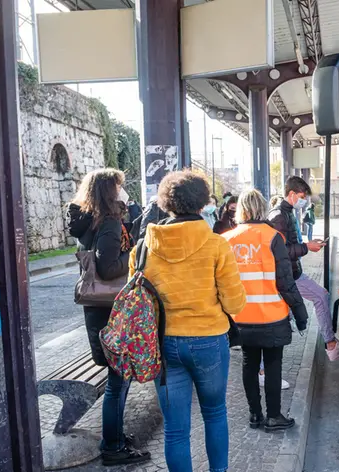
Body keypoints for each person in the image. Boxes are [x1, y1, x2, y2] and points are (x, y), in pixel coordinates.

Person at [128, 170, 247, 472]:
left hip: (163, 345)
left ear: (166, 202)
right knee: (215, 413)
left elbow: (137, 303)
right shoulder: (216, 245)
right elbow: (235, 304)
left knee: (175, 428)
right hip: (209, 341)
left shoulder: (142, 248)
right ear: (203, 202)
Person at [66, 169, 150, 466]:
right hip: (113, 312)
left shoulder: (88, 221)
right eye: (119, 187)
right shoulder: (109, 222)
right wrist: (135, 255)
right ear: (108, 191)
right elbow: (108, 267)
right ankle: (112, 446)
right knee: (118, 381)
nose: (122, 192)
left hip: (97, 310)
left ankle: (115, 436)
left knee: (118, 379)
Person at [224, 189, 309, 432]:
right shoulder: (273, 238)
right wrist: (301, 315)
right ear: (262, 208)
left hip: (240, 317)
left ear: (241, 209)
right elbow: (286, 281)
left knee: (249, 364)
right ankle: (274, 417)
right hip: (272, 316)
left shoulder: (226, 239)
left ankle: (254, 415)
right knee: (273, 365)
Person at [269, 176, 339, 361]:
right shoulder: (279, 216)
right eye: (302, 197)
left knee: (319, 297)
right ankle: (330, 344)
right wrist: (307, 247)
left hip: (293, 273)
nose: (304, 201)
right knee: (317, 298)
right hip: (287, 276)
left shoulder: (287, 213)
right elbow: (280, 251)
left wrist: (308, 244)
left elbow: (291, 245)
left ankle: (330, 343)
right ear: (292, 194)